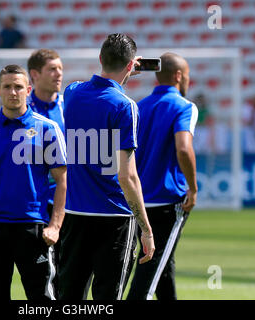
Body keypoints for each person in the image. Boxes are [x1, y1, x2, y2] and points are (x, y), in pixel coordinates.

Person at [59, 33, 155, 300]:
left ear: (100, 58)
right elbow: (127, 175)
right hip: (113, 217)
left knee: (70, 297)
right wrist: (145, 229)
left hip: (75, 213)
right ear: (131, 65)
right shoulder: (126, 106)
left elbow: (96, 93)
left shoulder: (72, 93)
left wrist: (121, 75)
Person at [0, 64, 67, 300]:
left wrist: (55, 226)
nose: (13, 92)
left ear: (28, 90)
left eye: (18, 87)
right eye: (7, 87)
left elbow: (62, 180)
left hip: (32, 229)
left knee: (42, 301)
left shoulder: (47, 129)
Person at [126, 52, 198, 301]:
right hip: (167, 201)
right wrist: (193, 188)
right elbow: (183, 148)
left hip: (137, 200)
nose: (188, 81)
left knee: (162, 263)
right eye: (187, 76)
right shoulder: (185, 106)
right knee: (150, 270)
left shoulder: (138, 106)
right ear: (178, 76)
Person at [27, 48, 65, 296]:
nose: (59, 74)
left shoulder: (69, 107)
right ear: (34, 74)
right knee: (44, 277)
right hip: (38, 205)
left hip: (71, 204)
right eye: (52, 69)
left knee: (71, 273)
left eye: (60, 69)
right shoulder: (23, 110)